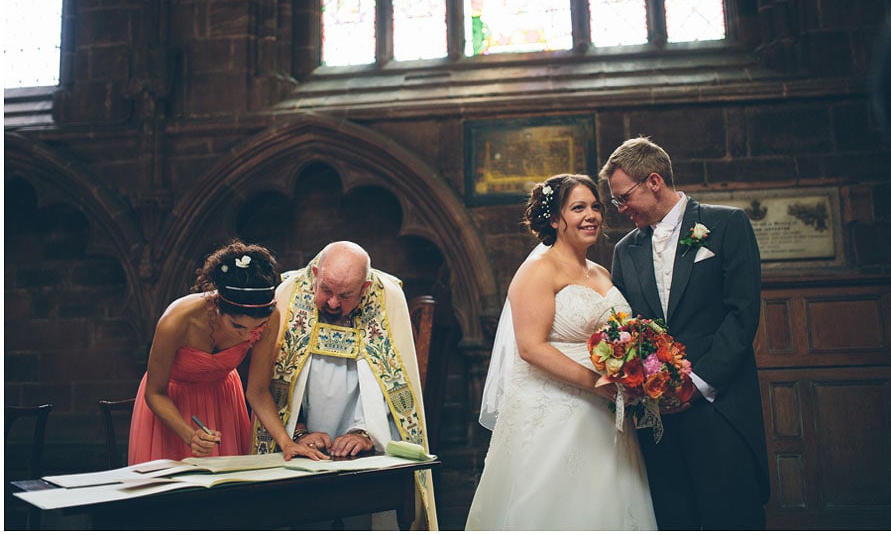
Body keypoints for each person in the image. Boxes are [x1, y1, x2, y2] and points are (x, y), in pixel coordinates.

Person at [466, 174, 657, 531]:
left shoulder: (600, 272)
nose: (592, 216)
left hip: (605, 415)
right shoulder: (538, 271)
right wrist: (598, 384)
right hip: (554, 411)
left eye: (596, 207)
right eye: (579, 208)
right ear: (554, 219)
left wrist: (632, 370)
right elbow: (531, 347)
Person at [599, 136, 770, 529]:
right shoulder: (625, 251)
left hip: (719, 405)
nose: (620, 209)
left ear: (654, 181)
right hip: (660, 420)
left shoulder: (727, 224)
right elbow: (630, 329)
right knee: (675, 519)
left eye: (623, 198)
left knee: (732, 517)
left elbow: (742, 314)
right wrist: (647, 385)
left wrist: (698, 382)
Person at [246, 240, 438, 530]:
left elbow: (395, 387)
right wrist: (297, 432)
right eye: (326, 291)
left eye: (345, 295)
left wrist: (365, 432)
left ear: (364, 288)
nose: (333, 303)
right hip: (298, 447)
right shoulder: (286, 294)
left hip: (364, 454)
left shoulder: (387, 298)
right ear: (314, 274)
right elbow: (275, 385)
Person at [128, 241, 279, 464]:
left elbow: (258, 391)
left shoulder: (268, 315)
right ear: (217, 305)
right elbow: (154, 393)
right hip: (170, 406)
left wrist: (287, 443)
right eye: (238, 327)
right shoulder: (176, 321)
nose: (248, 337)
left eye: (255, 329)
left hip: (225, 403)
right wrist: (190, 435)